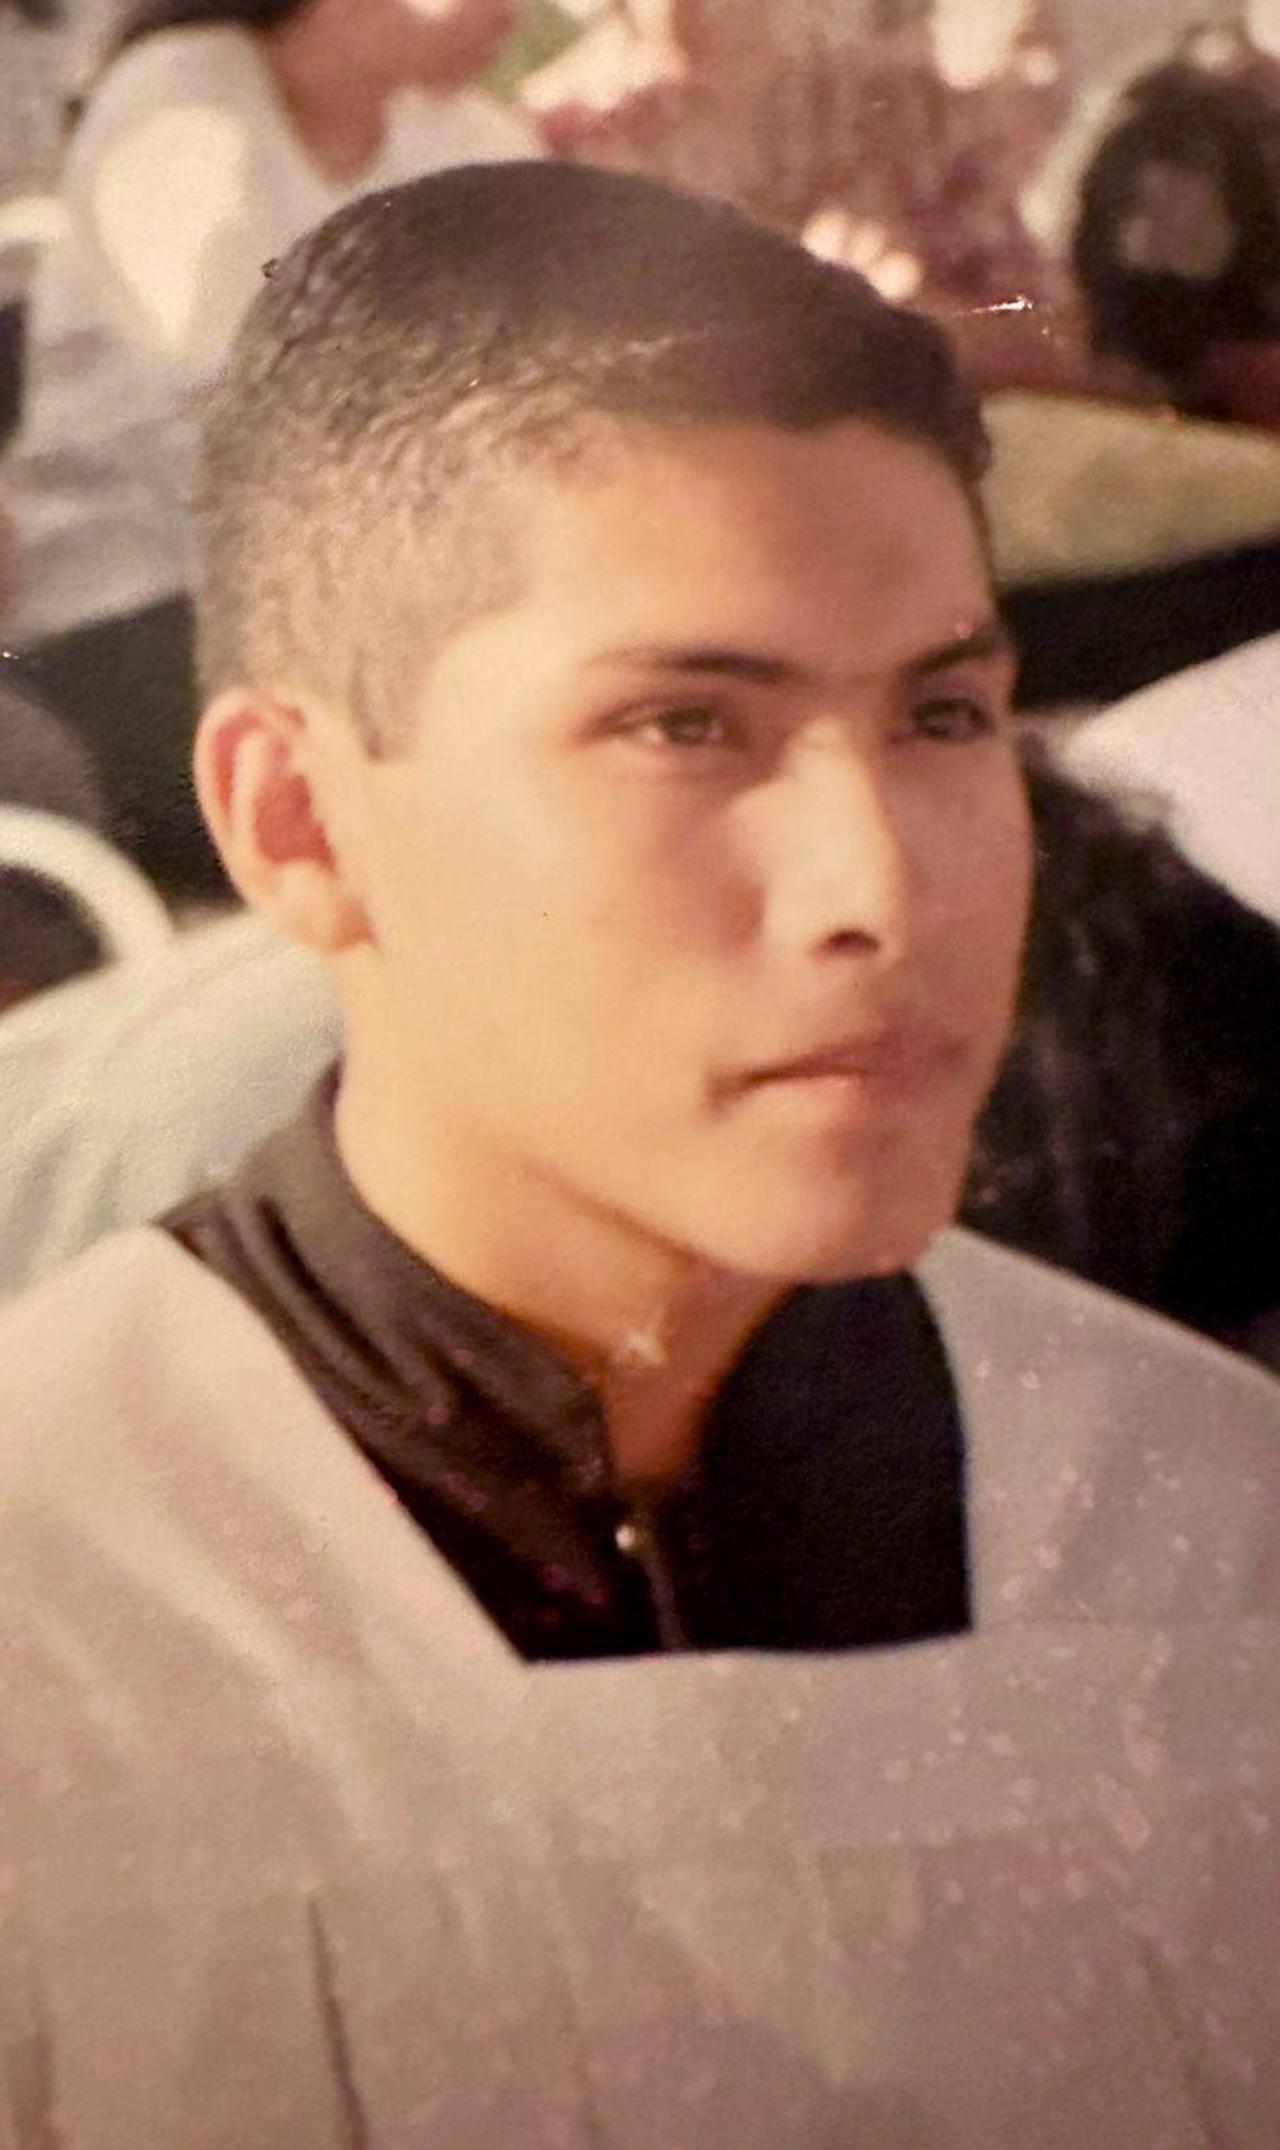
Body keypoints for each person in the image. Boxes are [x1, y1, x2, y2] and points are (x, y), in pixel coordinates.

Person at [1, 163, 1278, 2138]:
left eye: (945, 715)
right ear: (298, 822)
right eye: (688, 727)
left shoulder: (1203, 1519)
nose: (878, 889)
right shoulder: (52, 1597)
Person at [0, 0, 533, 894]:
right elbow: (261, 412)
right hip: (147, 618)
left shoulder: (466, 133)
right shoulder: (178, 109)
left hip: (389, 607)